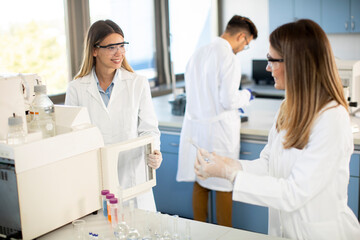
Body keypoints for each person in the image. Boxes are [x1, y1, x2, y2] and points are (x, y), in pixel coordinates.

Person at [195, 19, 360, 239]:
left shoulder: (332, 118)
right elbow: (268, 164)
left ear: (296, 63)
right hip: (283, 231)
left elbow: (295, 192)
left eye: (272, 60)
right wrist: (229, 164)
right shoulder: (287, 107)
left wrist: (231, 175)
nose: (267, 67)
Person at [65, 20, 162, 211]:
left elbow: (149, 129)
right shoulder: (76, 88)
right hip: (96, 179)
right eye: (111, 47)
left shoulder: (137, 83)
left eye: (122, 46)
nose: (119, 53)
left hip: (133, 176)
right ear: (94, 50)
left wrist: (155, 151)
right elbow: (73, 137)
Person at [177, 15, 258, 227]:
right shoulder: (229, 57)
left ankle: (199, 230)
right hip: (220, 132)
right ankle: (225, 234)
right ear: (241, 36)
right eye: (246, 44)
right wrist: (247, 96)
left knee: (201, 180)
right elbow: (228, 100)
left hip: (198, 129)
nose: (243, 48)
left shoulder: (198, 52)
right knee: (224, 182)